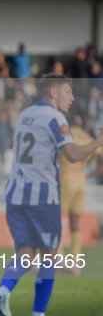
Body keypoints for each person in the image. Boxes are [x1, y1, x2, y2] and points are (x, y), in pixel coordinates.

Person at [0, 74, 103, 316]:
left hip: (15, 194)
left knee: (26, 252)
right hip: (43, 196)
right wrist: (98, 142)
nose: (72, 97)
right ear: (53, 93)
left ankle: (3, 289)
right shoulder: (55, 118)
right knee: (49, 256)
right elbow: (73, 154)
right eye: (68, 91)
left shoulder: (23, 115)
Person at [57, 116, 103, 275]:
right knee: (75, 221)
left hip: (66, 176)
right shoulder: (88, 137)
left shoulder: (65, 135)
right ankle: (75, 262)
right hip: (81, 179)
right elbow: (101, 159)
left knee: (56, 216)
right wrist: (90, 175)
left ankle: (59, 258)